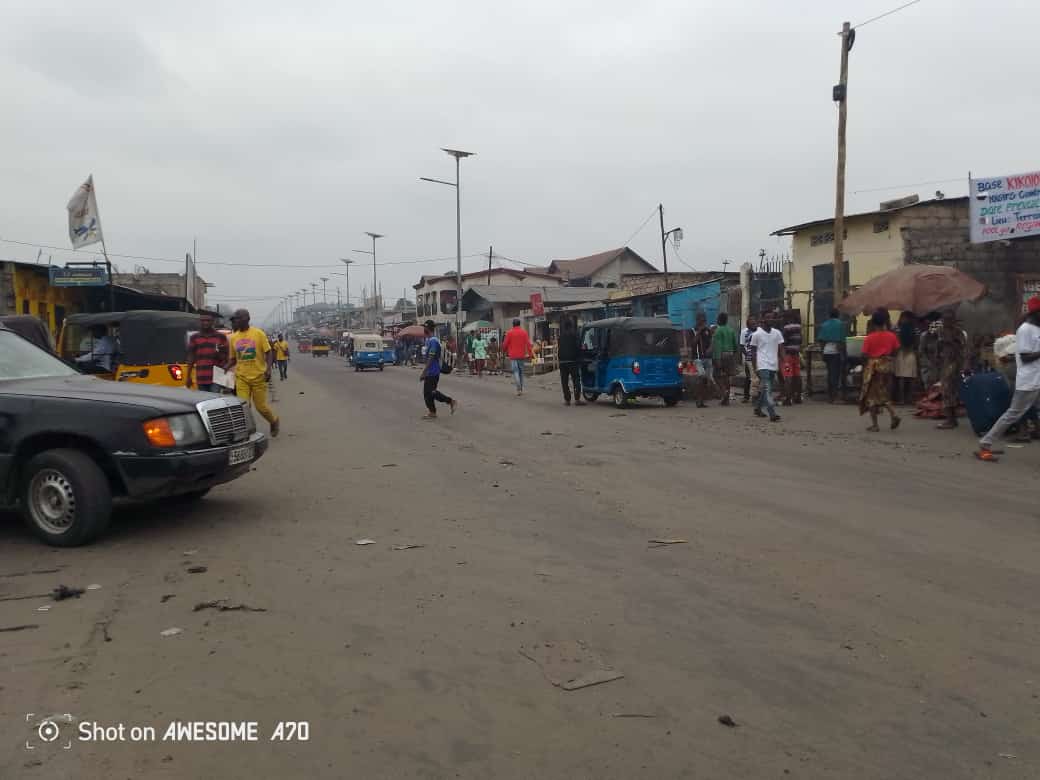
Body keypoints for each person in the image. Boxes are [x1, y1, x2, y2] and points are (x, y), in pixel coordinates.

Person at [976, 298, 1040, 460]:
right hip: (1029, 382)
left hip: (1037, 379)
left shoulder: (1036, 328)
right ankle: (985, 443)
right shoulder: (1025, 330)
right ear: (1036, 312)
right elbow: (1025, 357)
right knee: (1013, 414)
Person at [227, 309, 280, 437]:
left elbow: (269, 352)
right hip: (241, 377)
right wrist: (225, 367)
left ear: (247, 319)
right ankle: (248, 430)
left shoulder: (258, 334)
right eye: (236, 319)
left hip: (258, 377)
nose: (236, 321)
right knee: (243, 405)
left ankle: (274, 421)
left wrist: (268, 369)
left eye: (239, 318)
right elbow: (233, 358)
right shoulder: (233, 338)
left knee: (261, 407)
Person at [858, 310, 902, 432]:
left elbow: (864, 354)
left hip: (874, 368)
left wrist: (867, 363)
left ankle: (877, 423)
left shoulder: (870, 338)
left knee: (871, 396)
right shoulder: (891, 336)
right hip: (887, 366)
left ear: (873, 323)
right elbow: (897, 350)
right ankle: (893, 416)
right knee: (883, 392)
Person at [936, 309, 969, 430]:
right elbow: (938, 348)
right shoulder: (940, 331)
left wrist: (965, 364)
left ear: (953, 320)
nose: (946, 322)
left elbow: (964, 349)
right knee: (946, 391)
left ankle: (951, 420)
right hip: (945, 363)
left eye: (949, 319)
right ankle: (951, 419)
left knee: (950, 391)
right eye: (944, 319)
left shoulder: (958, 332)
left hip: (955, 363)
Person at [419, 319, 456, 419]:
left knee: (430, 392)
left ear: (427, 328)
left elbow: (431, 357)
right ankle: (432, 412)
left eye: (424, 327)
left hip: (433, 371)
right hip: (431, 371)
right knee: (428, 393)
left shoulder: (434, 341)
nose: (423, 329)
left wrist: (424, 372)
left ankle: (450, 401)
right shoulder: (429, 340)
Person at [750, 315, 785, 422]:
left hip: (773, 364)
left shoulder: (777, 333)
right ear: (763, 320)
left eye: (772, 317)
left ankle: (757, 408)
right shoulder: (756, 334)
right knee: (768, 388)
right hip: (762, 365)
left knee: (766, 389)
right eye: (768, 318)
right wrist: (755, 367)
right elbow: (753, 352)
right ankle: (772, 413)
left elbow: (781, 348)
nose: (771, 319)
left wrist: (784, 361)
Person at [186, 313, 229, 392]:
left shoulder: (221, 337)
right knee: (204, 402)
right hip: (201, 376)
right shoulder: (194, 337)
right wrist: (188, 376)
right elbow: (191, 357)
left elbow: (227, 358)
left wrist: (227, 381)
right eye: (203, 320)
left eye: (208, 320)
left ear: (213, 322)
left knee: (214, 401)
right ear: (199, 322)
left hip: (217, 377)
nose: (205, 323)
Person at [817, 309, 846, 403]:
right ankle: (834, 397)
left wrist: (822, 352)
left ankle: (830, 396)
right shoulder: (840, 324)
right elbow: (841, 341)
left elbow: (821, 341)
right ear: (838, 315)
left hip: (826, 352)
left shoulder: (824, 324)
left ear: (829, 315)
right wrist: (842, 353)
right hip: (835, 352)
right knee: (835, 375)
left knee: (830, 373)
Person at [712, 312, 739, 406]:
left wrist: (717, 359)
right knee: (727, 377)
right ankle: (726, 400)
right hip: (730, 354)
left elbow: (717, 346)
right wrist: (734, 356)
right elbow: (735, 345)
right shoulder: (731, 330)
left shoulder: (718, 331)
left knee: (716, 375)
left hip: (721, 355)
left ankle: (724, 392)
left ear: (719, 320)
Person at [502, 319, 534, 395]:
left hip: (513, 356)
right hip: (521, 355)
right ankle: (521, 389)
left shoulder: (509, 333)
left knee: (516, 371)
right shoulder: (524, 332)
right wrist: (530, 355)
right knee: (521, 372)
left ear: (513, 324)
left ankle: (518, 388)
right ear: (519, 324)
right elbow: (528, 344)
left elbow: (505, 344)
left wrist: (504, 350)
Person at [557, 318, 585, 406]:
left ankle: (567, 400)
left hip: (562, 361)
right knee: (576, 379)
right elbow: (578, 347)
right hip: (573, 361)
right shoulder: (575, 335)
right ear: (571, 325)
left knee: (564, 381)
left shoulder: (560, 336)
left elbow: (559, 348)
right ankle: (577, 399)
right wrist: (580, 357)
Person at [893, 311, 918, 404]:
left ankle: (901, 399)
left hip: (900, 354)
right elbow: (916, 343)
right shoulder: (915, 329)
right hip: (911, 354)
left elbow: (896, 344)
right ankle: (909, 398)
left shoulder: (896, 329)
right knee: (910, 378)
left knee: (900, 378)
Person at [691, 312, 714, 408]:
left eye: (704, 319)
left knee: (706, 380)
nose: (703, 321)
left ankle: (701, 400)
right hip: (698, 358)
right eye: (701, 319)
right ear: (697, 320)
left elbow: (711, 342)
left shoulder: (707, 331)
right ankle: (697, 399)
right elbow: (693, 343)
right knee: (702, 376)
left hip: (707, 358)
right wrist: (699, 331)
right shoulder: (692, 330)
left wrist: (711, 349)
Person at [780, 318, 803, 406]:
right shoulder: (799, 327)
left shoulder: (786, 328)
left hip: (787, 355)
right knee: (797, 376)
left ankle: (788, 399)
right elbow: (801, 340)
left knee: (788, 376)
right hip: (796, 354)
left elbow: (782, 342)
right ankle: (798, 397)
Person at [740, 315, 758, 403]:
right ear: (748, 325)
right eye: (752, 324)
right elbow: (741, 346)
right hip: (749, 359)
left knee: (755, 378)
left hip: (759, 358)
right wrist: (747, 355)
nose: (754, 325)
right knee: (750, 378)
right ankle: (748, 396)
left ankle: (755, 395)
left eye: (755, 323)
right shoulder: (744, 332)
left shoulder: (759, 332)